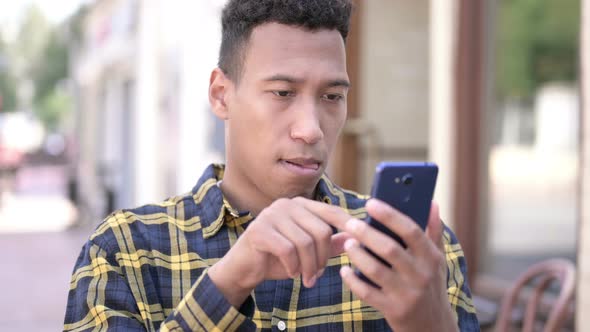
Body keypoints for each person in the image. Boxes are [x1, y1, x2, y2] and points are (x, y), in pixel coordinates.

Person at [64, 0, 479, 331]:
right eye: (283, 93)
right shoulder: (126, 250)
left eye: (332, 96)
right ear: (221, 95)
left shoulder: (409, 251)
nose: (311, 129)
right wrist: (229, 282)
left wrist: (429, 323)